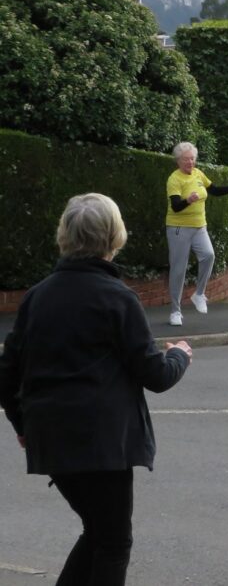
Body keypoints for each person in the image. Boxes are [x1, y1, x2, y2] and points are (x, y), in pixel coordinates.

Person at [0, 193, 192, 585]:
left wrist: (22, 425)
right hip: (103, 444)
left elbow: (6, 374)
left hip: (50, 439)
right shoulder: (118, 298)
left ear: (65, 236)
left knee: (98, 533)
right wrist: (181, 356)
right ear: (114, 237)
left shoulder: (38, 296)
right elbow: (154, 375)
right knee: (113, 544)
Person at [165, 141, 228, 326]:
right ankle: (175, 312)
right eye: (186, 159)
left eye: (192, 159)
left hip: (199, 227)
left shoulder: (198, 174)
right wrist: (188, 200)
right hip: (179, 228)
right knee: (179, 269)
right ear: (178, 161)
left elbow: (214, 191)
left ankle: (199, 294)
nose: (190, 162)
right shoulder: (174, 179)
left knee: (209, 255)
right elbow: (176, 206)